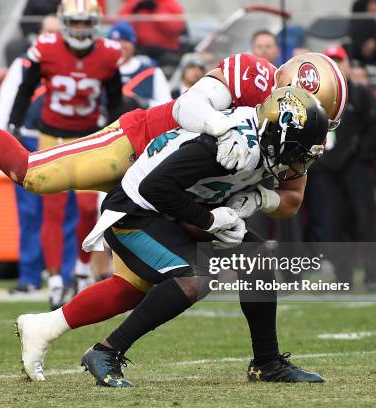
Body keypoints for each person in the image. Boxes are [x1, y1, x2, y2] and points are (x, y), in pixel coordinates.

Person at [0, 52, 346, 378]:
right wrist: (222, 125)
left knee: (140, 287)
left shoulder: (295, 137)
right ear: (286, 92)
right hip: (142, 148)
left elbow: (290, 199)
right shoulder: (251, 76)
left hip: (182, 194)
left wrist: (249, 203)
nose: (315, 133)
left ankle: (44, 328)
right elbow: (188, 105)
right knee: (35, 174)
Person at [71, 87, 329, 387]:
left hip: (176, 212)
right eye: (296, 150)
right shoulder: (232, 143)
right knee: (196, 278)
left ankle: (267, 362)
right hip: (134, 213)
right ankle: (106, 351)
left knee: (256, 257)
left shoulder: (264, 141)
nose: (297, 162)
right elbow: (154, 188)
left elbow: (282, 200)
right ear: (277, 130)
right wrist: (210, 220)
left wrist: (248, 202)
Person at [7, 0, 123, 308]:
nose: (82, 29)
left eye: (87, 23)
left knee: (88, 209)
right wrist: (14, 123)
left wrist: (118, 133)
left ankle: (82, 272)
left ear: (95, 25)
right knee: (53, 210)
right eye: (77, 22)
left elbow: (115, 101)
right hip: (52, 137)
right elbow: (25, 88)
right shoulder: (45, 48)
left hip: (88, 138)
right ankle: (57, 279)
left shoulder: (109, 54)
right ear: (65, 23)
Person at [317, 45, 376, 290]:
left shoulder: (362, 95)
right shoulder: (317, 99)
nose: (337, 65)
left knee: (365, 222)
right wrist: (323, 162)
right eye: (331, 61)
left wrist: (358, 155)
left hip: (358, 170)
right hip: (329, 171)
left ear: (348, 65)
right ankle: (342, 277)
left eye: (340, 60)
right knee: (335, 225)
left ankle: (372, 275)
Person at [108, 21, 172, 109]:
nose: (121, 45)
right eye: (116, 41)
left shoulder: (151, 72)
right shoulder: (102, 70)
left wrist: (143, 104)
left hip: (140, 121)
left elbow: (167, 107)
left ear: (133, 44)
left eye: (126, 41)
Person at [118, 0, 185, 68]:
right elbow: (119, 26)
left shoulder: (170, 3)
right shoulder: (134, 2)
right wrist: (134, 10)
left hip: (165, 50)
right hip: (139, 49)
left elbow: (176, 28)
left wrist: (157, 10)